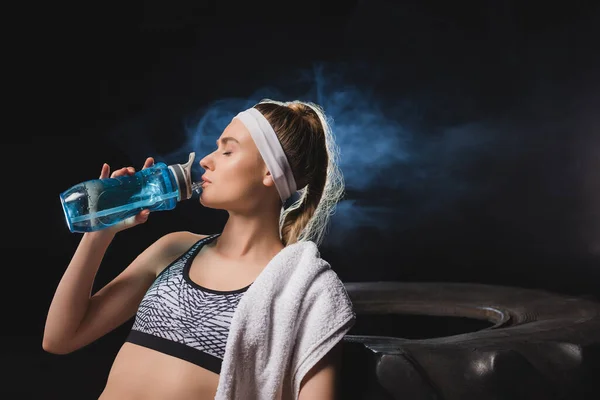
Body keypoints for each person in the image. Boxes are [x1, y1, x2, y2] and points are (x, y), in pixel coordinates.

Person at [43, 99, 356, 400]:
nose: (206, 159)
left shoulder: (303, 290)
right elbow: (60, 338)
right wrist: (101, 232)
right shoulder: (175, 249)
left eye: (228, 151)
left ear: (269, 173)